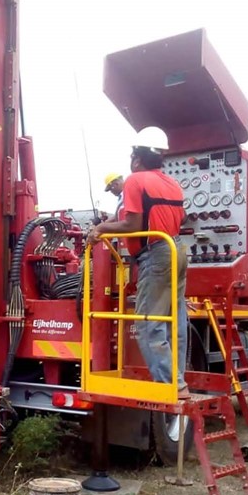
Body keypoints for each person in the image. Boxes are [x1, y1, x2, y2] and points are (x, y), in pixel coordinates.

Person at [88, 127, 189, 399]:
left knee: (147, 322)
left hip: (156, 253)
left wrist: (101, 230)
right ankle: (178, 380)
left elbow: (133, 223)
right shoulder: (172, 183)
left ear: (136, 158)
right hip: (177, 249)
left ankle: (169, 384)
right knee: (175, 321)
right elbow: (182, 219)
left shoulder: (135, 180)